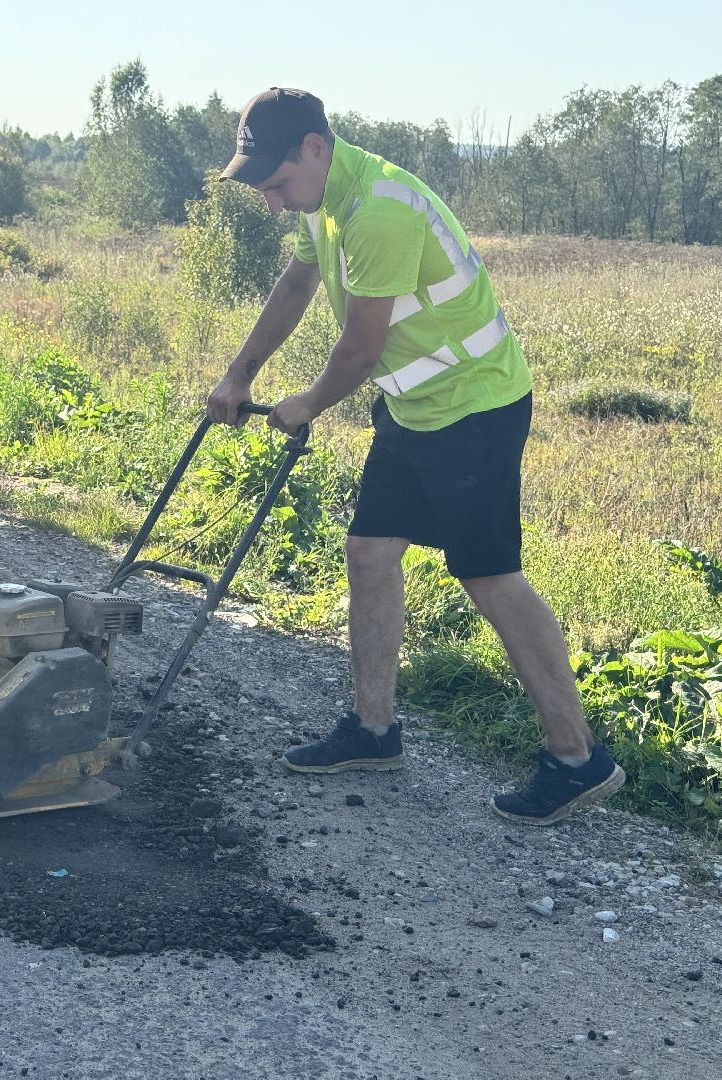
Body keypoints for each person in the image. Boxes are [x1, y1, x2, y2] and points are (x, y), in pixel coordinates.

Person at [205, 87, 624, 826]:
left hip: (476, 405)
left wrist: (305, 402)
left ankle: (577, 756)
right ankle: (374, 731)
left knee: (489, 576)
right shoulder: (326, 203)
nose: (272, 202)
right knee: (368, 551)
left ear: (314, 147)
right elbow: (299, 281)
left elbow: (360, 347)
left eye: (276, 184)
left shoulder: (381, 210)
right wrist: (240, 371)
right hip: (415, 405)